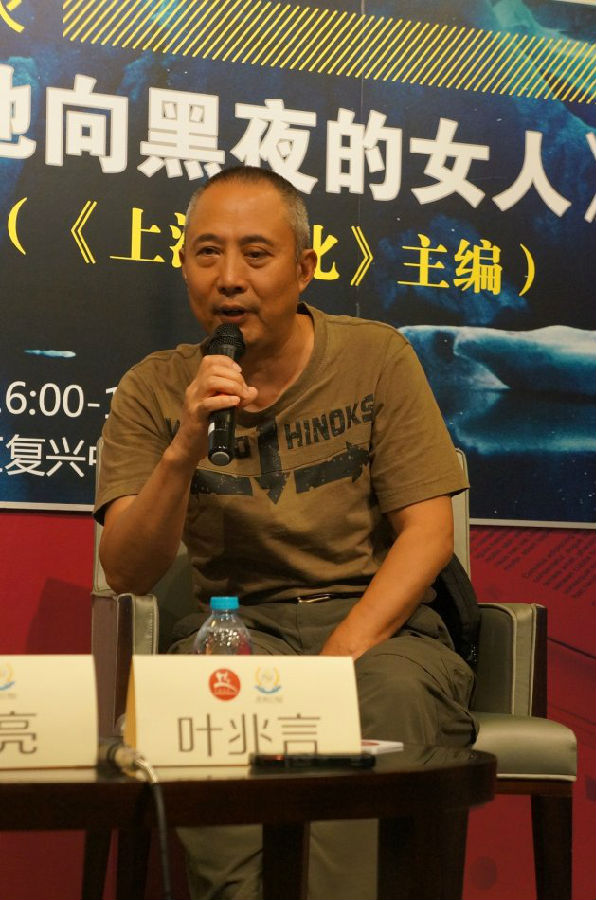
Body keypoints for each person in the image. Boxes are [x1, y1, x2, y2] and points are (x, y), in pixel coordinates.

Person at [94, 165, 477, 900]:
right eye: (207, 253)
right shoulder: (153, 388)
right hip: (239, 631)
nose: (229, 278)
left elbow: (429, 534)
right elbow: (129, 571)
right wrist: (185, 445)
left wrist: (332, 666)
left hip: (380, 632)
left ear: (304, 269)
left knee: (393, 696)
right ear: (184, 267)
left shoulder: (376, 357)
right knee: (198, 694)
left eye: (256, 254)